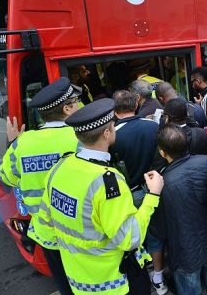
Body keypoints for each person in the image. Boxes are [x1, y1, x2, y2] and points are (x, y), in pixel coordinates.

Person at [34, 98, 164, 295]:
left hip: (78, 279)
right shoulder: (107, 182)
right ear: (106, 133)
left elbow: (47, 226)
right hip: (114, 282)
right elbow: (130, 238)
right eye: (113, 125)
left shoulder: (60, 167)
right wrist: (152, 195)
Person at [0, 78, 80, 295]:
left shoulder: (22, 142)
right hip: (79, 228)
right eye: (77, 101)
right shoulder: (80, 137)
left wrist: (12, 143)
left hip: (46, 231)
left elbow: (7, 178)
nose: (80, 105)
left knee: (63, 281)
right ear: (66, 108)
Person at [154, 125, 207, 295]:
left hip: (185, 251)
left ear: (163, 152)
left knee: (190, 290)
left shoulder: (163, 183)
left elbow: (160, 229)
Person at [108, 90, 166, 294]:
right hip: (153, 187)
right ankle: (158, 274)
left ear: (114, 110)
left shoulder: (113, 135)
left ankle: (141, 271)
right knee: (155, 232)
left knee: (132, 234)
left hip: (130, 193)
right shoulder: (153, 126)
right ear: (136, 105)